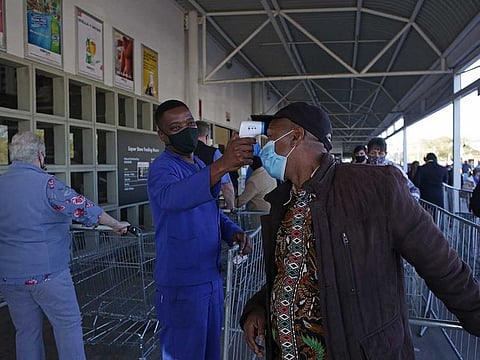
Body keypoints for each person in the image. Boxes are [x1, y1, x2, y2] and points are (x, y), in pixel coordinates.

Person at [239, 102, 480, 359]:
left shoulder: (375, 188)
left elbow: (441, 265)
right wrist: (258, 307)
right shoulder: (283, 200)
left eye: (272, 138)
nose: (264, 149)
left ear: (296, 136)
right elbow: (293, 271)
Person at [0, 131, 130, 360]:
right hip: (48, 273)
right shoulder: (47, 184)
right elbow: (83, 207)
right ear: (40, 156)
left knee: (26, 331)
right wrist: (115, 224)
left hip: (10, 276)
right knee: (67, 325)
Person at [147, 99, 254, 360]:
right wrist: (222, 165)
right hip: (183, 283)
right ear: (162, 135)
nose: (186, 130)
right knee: (185, 352)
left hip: (209, 277)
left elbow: (209, 210)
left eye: (190, 123)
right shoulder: (162, 168)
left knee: (210, 351)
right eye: (175, 127)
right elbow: (173, 198)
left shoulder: (197, 166)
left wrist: (231, 231)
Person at [195, 120, 235, 209]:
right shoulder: (213, 153)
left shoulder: (182, 153)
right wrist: (231, 207)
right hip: (207, 206)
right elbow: (226, 186)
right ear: (207, 136)